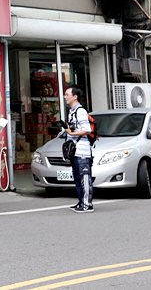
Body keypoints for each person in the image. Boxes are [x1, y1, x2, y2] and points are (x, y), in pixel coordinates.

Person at [64, 85, 94, 213]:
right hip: (75, 150)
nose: (65, 97)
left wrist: (71, 133)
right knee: (77, 177)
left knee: (84, 177)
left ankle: (87, 204)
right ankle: (81, 201)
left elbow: (87, 130)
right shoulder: (71, 112)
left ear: (75, 97)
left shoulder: (80, 111)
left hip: (82, 151)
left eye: (67, 94)